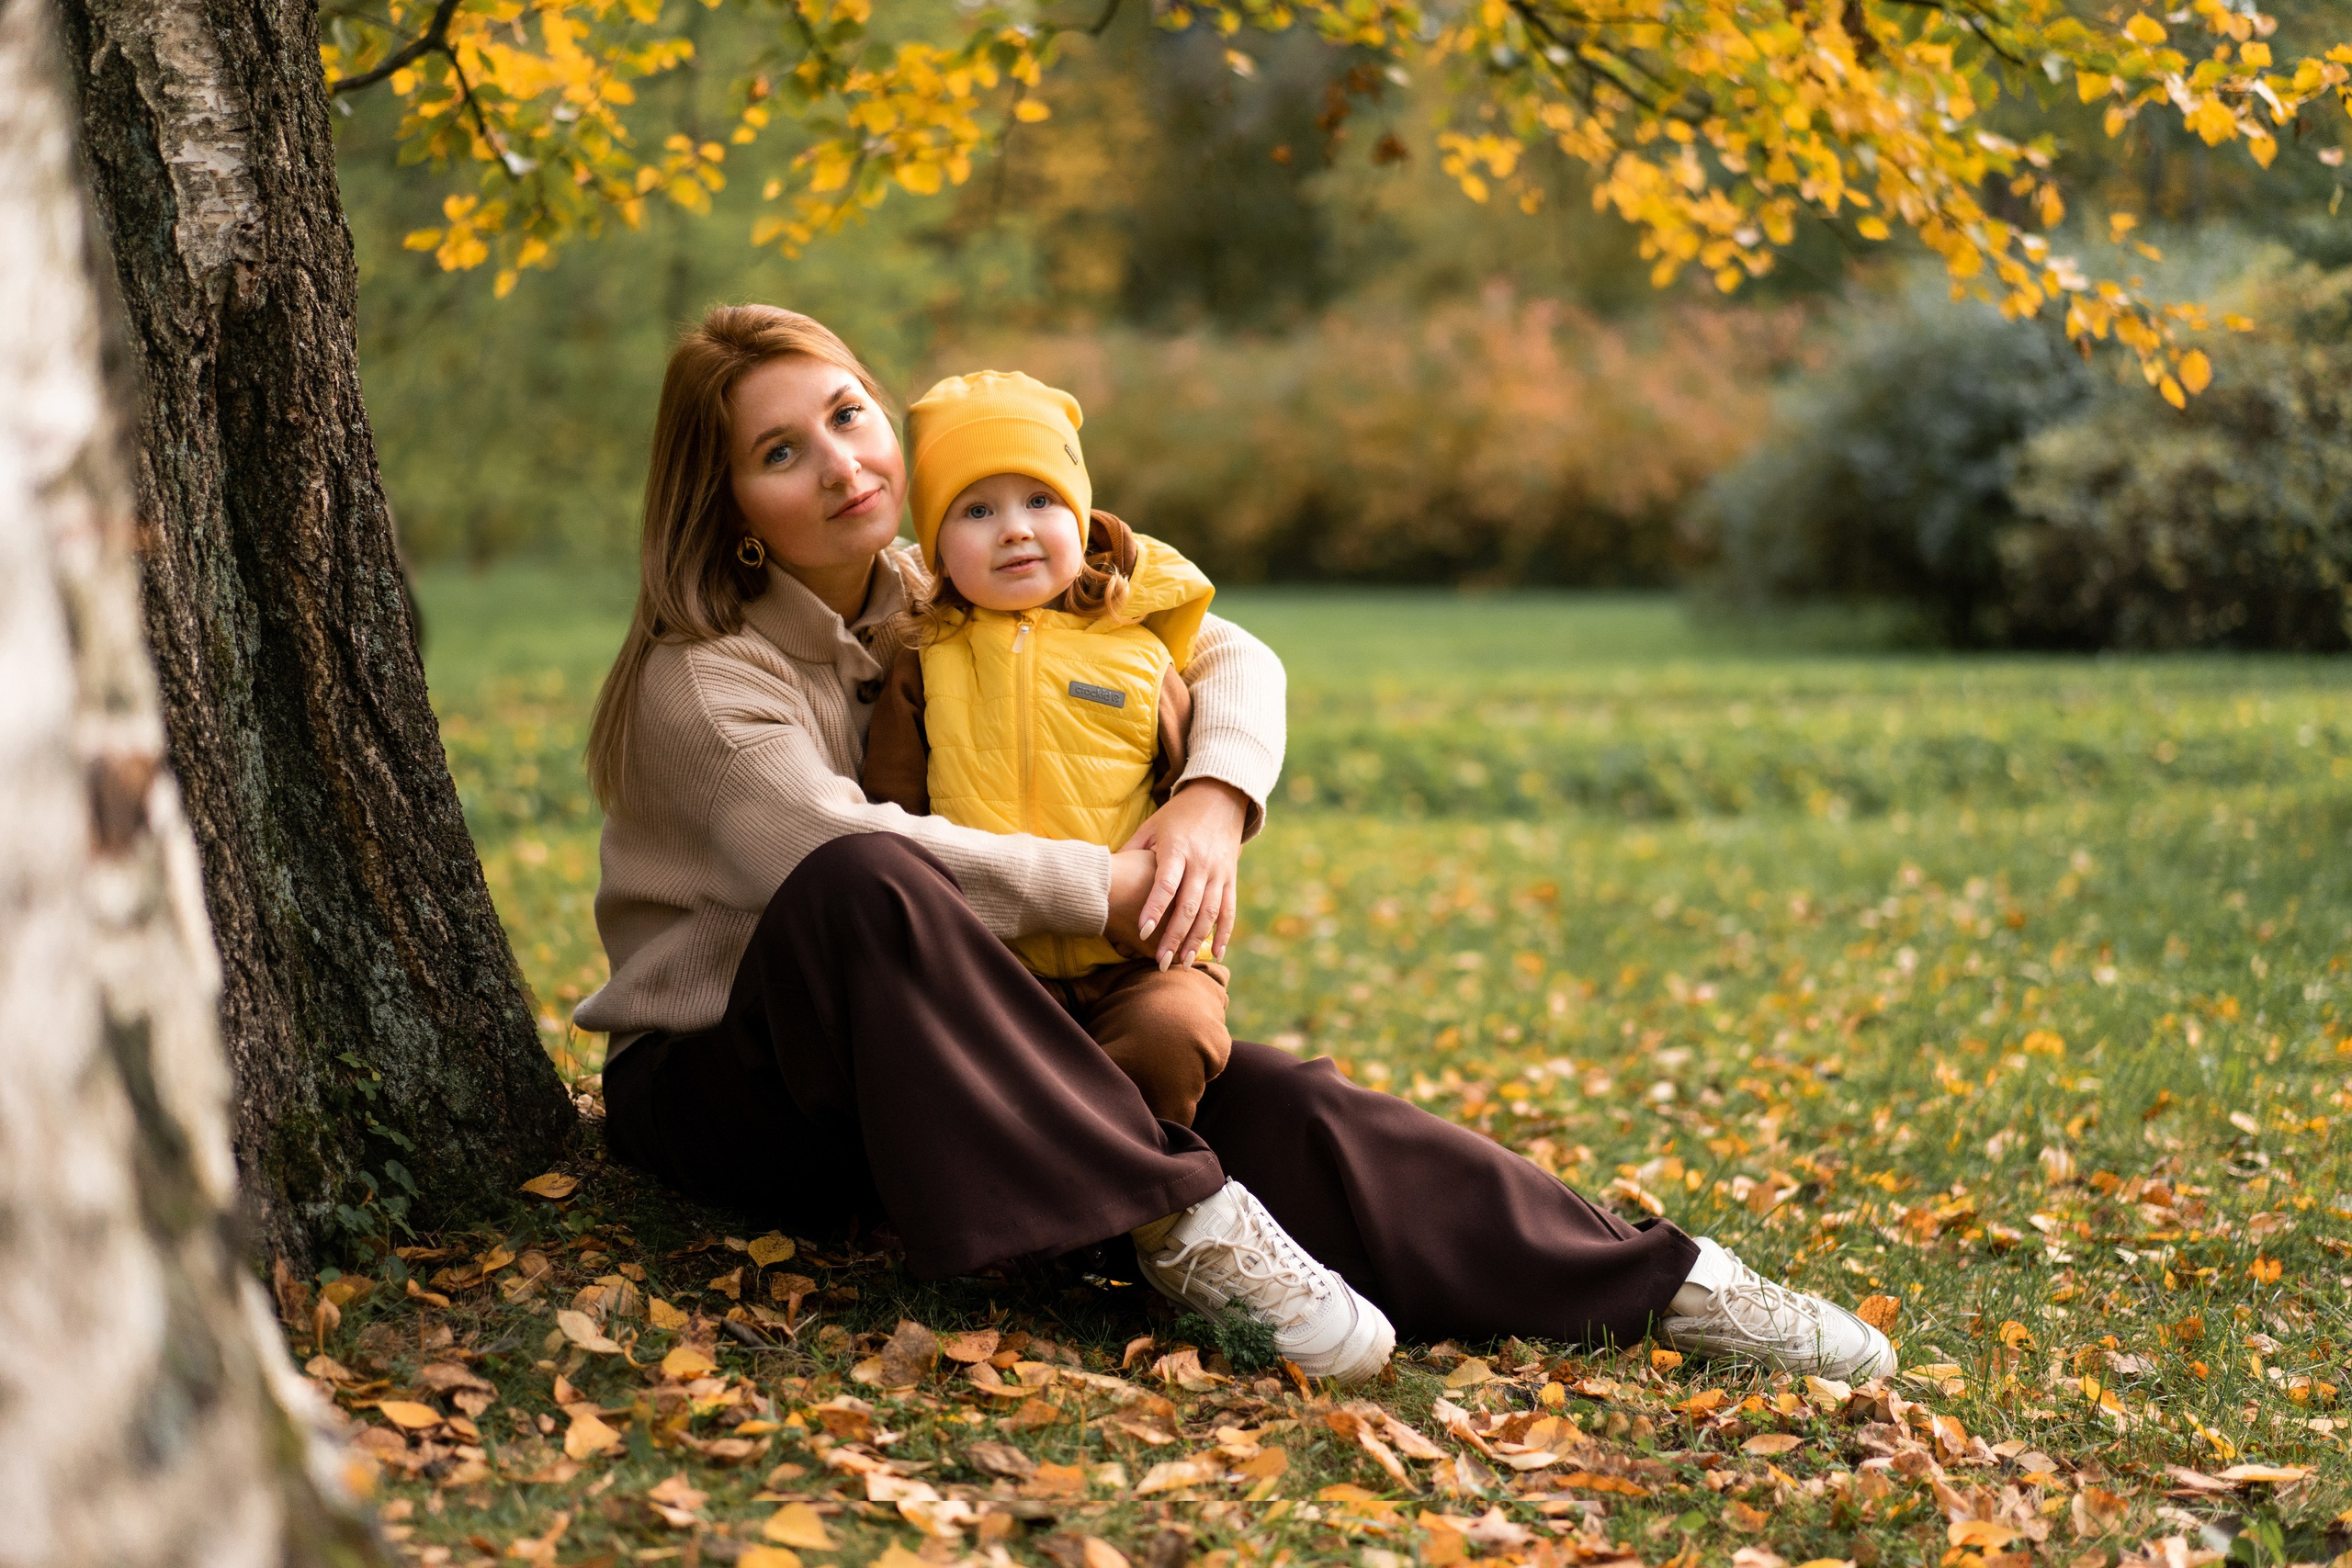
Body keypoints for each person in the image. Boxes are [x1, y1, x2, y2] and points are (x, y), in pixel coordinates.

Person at [579, 303, 1896, 1386]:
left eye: (848, 415)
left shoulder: (953, 578)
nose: (842, 464)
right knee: (864, 876)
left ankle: (1661, 1283)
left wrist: (1212, 796)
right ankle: (1179, 1217)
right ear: (731, 502)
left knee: (1277, 1103)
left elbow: (1227, 650)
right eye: (782, 451)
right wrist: (1109, 887)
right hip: (744, 1090)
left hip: (959, 1042)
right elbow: (831, 851)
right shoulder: (707, 678)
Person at [860, 370, 1232, 1127]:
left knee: (1169, 1039)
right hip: (996, 960)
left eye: (1040, 500)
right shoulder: (925, 661)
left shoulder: (1140, 653)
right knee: (964, 1064)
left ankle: (1144, 1178)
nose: (1014, 529)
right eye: (977, 510)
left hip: (1136, 961)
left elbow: (1190, 795)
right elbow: (890, 815)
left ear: (1081, 516)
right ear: (935, 550)